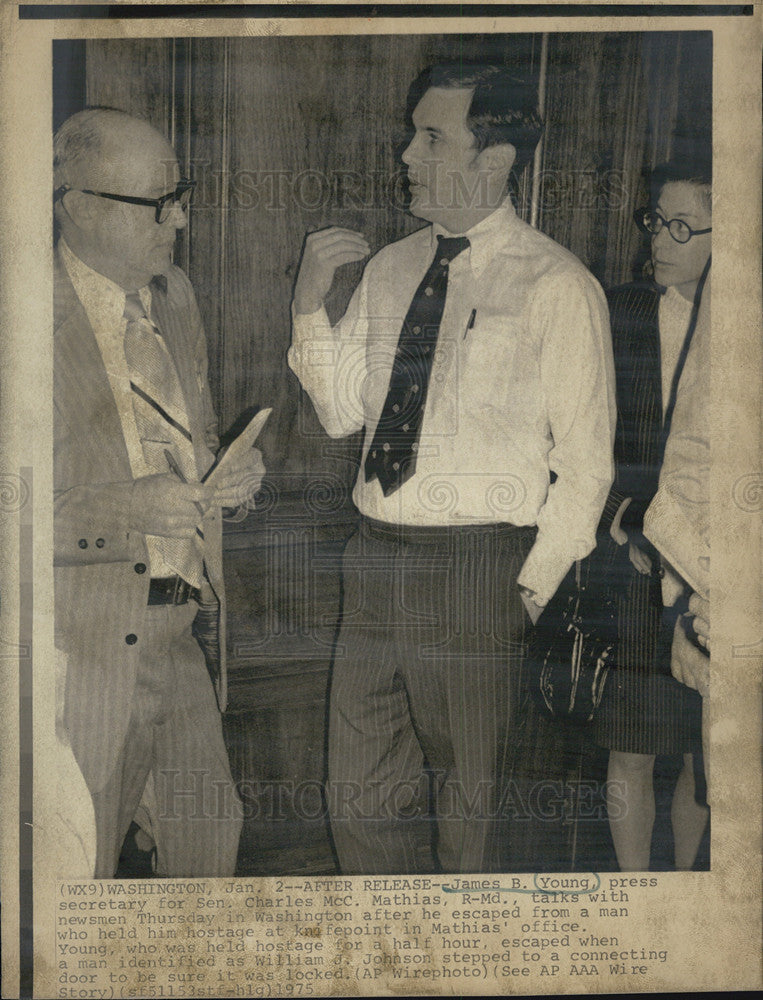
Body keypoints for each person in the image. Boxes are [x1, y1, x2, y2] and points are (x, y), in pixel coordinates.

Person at [288, 63, 615, 873]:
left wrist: (524, 590)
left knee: (473, 805)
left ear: (493, 160)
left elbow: (586, 467)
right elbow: (341, 414)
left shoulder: (557, 285)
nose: (405, 152)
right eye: (412, 132)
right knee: (358, 794)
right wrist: (306, 302)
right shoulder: (392, 267)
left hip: (480, 569)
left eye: (431, 137)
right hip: (373, 559)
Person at [53, 108, 264, 877]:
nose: (180, 216)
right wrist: (127, 510)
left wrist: (225, 477)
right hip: (81, 657)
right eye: (158, 202)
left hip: (178, 637)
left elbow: (192, 438)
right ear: (79, 206)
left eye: (181, 193)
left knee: (210, 854)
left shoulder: (173, 295)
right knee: (77, 876)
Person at [595, 160, 712, 871]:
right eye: (654, 220)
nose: (658, 241)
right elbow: (575, 432)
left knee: (706, 758)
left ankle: (685, 888)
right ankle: (634, 899)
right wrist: (626, 514)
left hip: (714, 572)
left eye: (680, 227)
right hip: (637, 559)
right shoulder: (623, 310)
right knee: (631, 747)